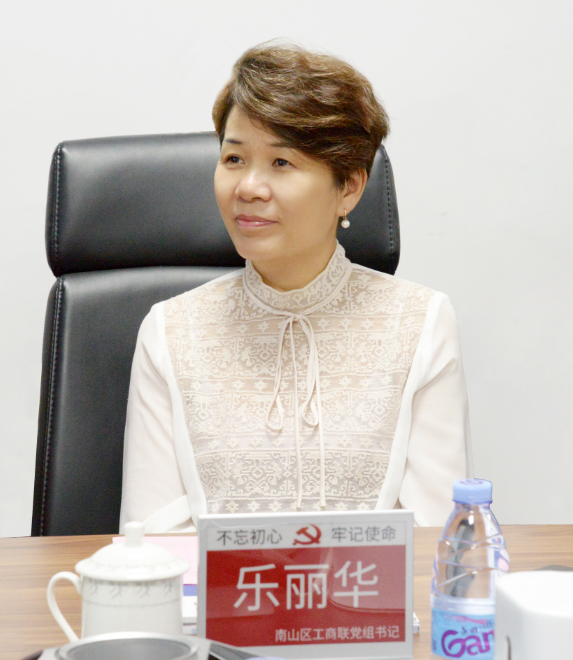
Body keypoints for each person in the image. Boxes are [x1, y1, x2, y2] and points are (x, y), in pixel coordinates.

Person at [119, 42, 471, 533]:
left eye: (281, 163)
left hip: (368, 586)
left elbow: (435, 535)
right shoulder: (169, 331)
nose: (248, 188)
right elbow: (152, 539)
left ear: (349, 187)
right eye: (234, 158)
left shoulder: (422, 323)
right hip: (212, 587)